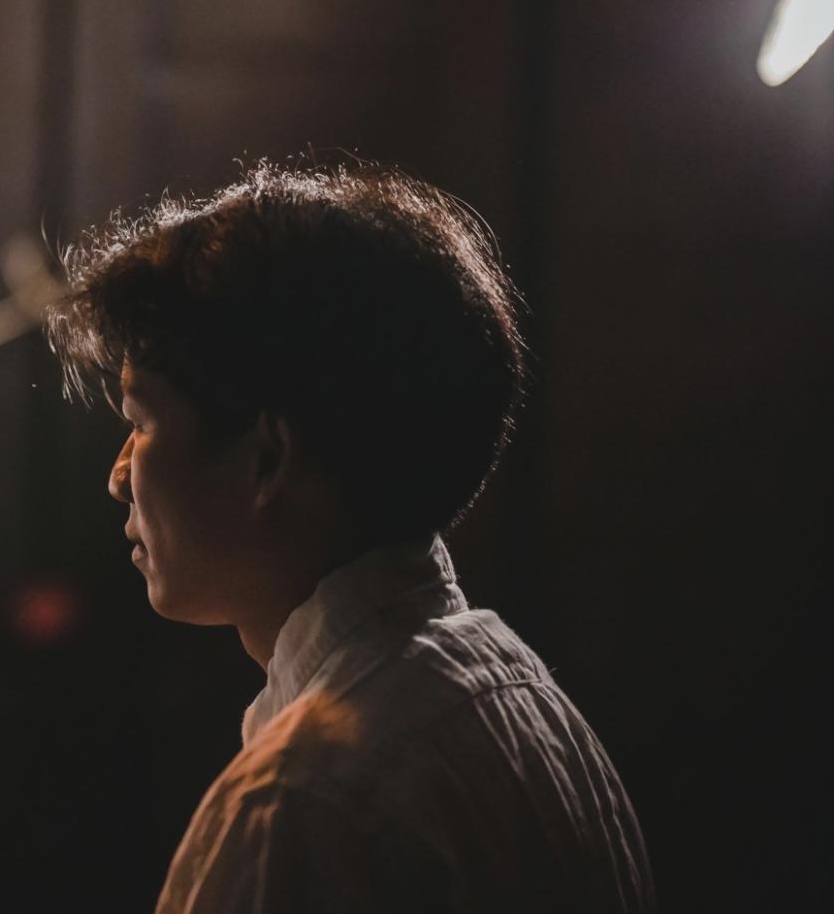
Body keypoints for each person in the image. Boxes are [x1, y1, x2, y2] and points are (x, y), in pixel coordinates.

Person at [47, 162, 654, 913]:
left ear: (267, 459)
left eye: (140, 424)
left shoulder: (303, 802)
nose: (117, 474)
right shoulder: (527, 704)